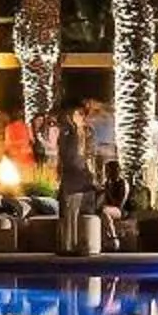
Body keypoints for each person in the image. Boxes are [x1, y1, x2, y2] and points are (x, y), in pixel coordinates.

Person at [55, 105, 95, 256]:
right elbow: (64, 155)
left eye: (81, 115)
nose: (80, 118)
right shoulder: (67, 133)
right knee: (68, 211)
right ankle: (67, 245)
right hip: (71, 175)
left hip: (81, 175)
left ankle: (74, 244)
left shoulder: (86, 133)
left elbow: (87, 155)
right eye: (76, 115)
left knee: (76, 211)